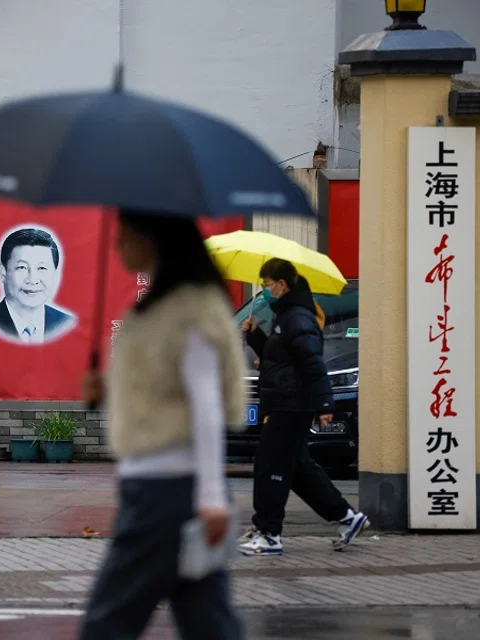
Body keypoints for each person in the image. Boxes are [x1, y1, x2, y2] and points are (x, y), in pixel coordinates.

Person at [79, 210, 246, 640]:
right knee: (207, 622)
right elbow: (160, 393)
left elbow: (205, 403)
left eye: (125, 236)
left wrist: (211, 497)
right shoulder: (158, 306)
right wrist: (106, 388)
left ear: (151, 238)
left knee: (107, 622)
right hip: (166, 489)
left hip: (168, 494)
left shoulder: (190, 309)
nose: (118, 247)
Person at [238, 258, 368, 556]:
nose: (266, 290)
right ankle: (348, 517)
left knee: (270, 467)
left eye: (268, 284)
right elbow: (279, 360)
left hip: (290, 405)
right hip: (285, 401)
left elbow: (313, 363)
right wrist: (255, 334)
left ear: (282, 284)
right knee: (298, 469)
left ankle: (269, 535)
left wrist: (325, 403)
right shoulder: (286, 316)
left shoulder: (297, 317)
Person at [0, 227, 77, 344]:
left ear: (55, 273)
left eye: (42, 268)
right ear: (3, 272)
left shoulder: (67, 324)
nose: (32, 280)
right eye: (22, 267)